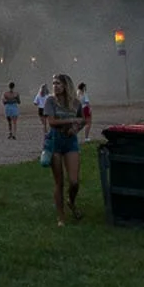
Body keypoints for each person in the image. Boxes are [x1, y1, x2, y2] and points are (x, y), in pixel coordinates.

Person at [41, 74, 89, 225]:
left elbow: (83, 120)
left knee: (74, 181)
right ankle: (61, 216)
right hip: (55, 140)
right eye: (54, 83)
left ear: (66, 85)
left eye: (58, 84)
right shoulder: (50, 101)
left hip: (70, 141)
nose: (55, 86)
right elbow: (52, 122)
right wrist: (72, 120)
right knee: (59, 182)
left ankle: (71, 201)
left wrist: (76, 128)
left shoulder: (75, 103)